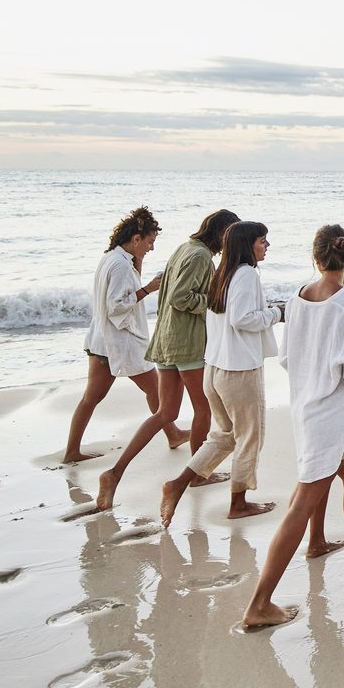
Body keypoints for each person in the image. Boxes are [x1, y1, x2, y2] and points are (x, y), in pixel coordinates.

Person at [242, 226, 344, 631]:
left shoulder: (298, 298)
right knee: (302, 504)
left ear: (315, 259)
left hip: (305, 407)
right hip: (331, 416)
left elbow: (286, 359)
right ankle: (258, 605)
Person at [97, 210, 237, 509]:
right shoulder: (200, 256)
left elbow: (168, 295)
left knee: (165, 413)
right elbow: (180, 297)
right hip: (186, 342)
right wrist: (216, 302)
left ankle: (114, 473)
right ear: (222, 234)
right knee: (203, 410)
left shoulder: (185, 248)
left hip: (167, 338)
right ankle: (198, 474)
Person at [160, 221, 281, 528]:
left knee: (225, 435)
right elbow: (242, 319)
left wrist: (267, 312)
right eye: (263, 241)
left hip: (214, 369)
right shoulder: (245, 274)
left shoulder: (221, 273)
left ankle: (177, 484)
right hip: (238, 370)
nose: (267, 246)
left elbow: (230, 317)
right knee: (249, 437)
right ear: (248, 244)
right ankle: (238, 504)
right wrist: (277, 314)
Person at [63, 206, 186, 464]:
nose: (152, 248)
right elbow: (116, 305)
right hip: (119, 341)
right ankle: (173, 434)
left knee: (92, 397)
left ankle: (71, 451)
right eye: (150, 242)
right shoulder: (119, 265)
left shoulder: (114, 258)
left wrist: (139, 264)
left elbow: (122, 291)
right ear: (136, 238)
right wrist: (149, 289)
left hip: (102, 341)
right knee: (157, 391)